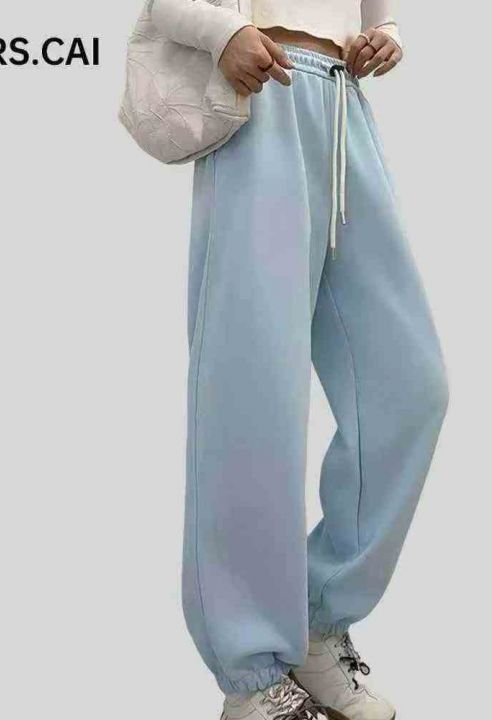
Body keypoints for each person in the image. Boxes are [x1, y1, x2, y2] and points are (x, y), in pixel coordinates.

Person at [149, 1, 449, 719]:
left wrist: (387, 32)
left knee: (411, 386)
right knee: (254, 394)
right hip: (261, 99)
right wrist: (222, 32)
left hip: (344, 106)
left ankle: (318, 619)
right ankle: (251, 672)